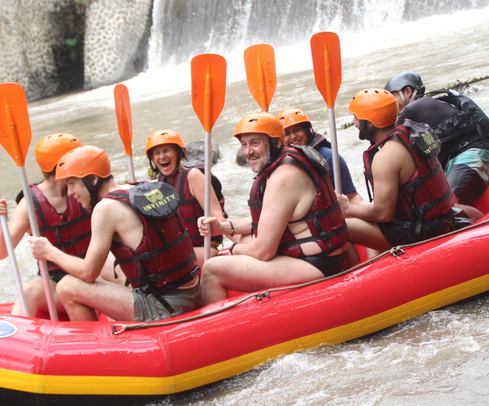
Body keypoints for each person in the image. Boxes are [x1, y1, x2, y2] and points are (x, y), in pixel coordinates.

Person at [198, 112, 358, 305]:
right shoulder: (287, 163)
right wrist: (224, 228)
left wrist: (233, 249)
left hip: (318, 265)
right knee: (247, 238)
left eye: (255, 143)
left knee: (211, 269)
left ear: (275, 143)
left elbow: (264, 251)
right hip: (325, 257)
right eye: (244, 145)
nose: (248, 152)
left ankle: (219, 330)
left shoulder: (283, 176)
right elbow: (272, 218)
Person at [27, 145, 202, 322]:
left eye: (72, 184)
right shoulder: (141, 187)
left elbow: (88, 273)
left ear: (93, 179)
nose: (70, 193)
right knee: (105, 265)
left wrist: (49, 251)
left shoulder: (106, 208)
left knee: (67, 286)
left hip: (166, 305)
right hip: (193, 290)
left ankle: (95, 346)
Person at [342, 88, 459, 252]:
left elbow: (382, 214)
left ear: (369, 122)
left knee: (341, 227)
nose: (354, 122)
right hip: (441, 219)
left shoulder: (385, 157)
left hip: (421, 231)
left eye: (356, 117)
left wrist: (347, 209)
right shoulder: (410, 133)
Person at [0, 133, 90, 317]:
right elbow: (1, 252)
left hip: (95, 276)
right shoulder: (29, 203)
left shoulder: (88, 187)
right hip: (58, 285)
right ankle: (16, 340)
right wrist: (0, 221)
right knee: (28, 291)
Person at [384, 71, 489, 220]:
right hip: (459, 157)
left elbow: (387, 135)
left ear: (407, 91)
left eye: (391, 97)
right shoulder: (422, 112)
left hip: (472, 153)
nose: (388, 104)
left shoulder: (417, 107)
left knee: (449, 205)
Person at [146, 129, 231, 264]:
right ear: (152, 159)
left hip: (206, 251)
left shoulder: (193, 176)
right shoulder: (158, 186)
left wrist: (241, 245)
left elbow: (218, 217)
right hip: (181, 251)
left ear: (180, 154)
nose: (162, 156)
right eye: (157, 153)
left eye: (167, 151)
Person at [277, 107, 365, 206]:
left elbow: (352, 196)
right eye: (287, 133)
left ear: (307, 131)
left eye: (297, 130)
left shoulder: (330, 156)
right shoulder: (278, 163)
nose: (293, 136)